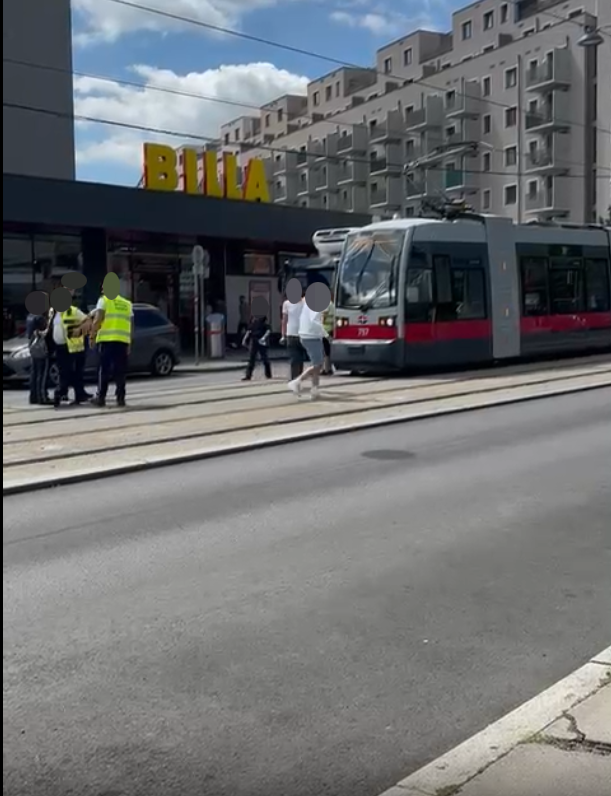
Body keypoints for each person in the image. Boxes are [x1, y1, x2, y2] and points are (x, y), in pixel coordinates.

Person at [90, 273, 134, 408]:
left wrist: (92, 336)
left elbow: (98, 320)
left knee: (104, 370)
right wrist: (129, 343)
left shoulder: (104, 301)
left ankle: (101, 397)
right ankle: (120, 398)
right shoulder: (127, 304)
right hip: (122, 341)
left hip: (106, 341)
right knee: (120, 372)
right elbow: (131, 325)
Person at [50, 292, 91, 408]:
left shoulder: (73, 311)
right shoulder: (55, 313)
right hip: (60, 347)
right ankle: (73, 394)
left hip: (73, 348)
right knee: (65, 372)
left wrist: (79, 330)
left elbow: (88, 321)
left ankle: (62, 393)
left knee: (71, 373)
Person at [288, 302, 328, 400]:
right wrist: (326, 334)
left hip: (309, 335)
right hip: (311, 336)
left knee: (317, 365)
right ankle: (296, 382)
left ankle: (315, 390)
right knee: (317, 364)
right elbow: (314, 321)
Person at [26, 308, 50, 405]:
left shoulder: (30, 317)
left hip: (33, 348)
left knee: (34, 373)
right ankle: (42, 397)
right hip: (41, 349)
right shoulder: (40, 318)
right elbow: (45, 332)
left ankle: (33, 397)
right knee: (42, 374)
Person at [281, 289, 305, 381]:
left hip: (300, 334)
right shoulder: (287, 304)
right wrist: (283, 335)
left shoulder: (304, 303)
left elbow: (284, 320)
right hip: (292, 334)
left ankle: (297, 378)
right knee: (296, 358)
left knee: (298, 359)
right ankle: (295, 379)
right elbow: (284, 320)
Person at [242, 313, 272, 381]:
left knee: (264, 358)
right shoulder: (254, 320)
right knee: (253, 358)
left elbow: (268, 330)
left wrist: (264, 338)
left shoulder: (261, 319)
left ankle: (268, 374)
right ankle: (248, 375)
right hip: (255, 340)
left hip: (260, 340)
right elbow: (249, 331)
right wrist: (245, 339)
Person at [322, 297, 335, 376]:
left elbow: (324, 316)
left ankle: (326, 369)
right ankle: (328, 368)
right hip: (331, 329)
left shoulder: (326, 304)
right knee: (328, 350)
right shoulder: (331, 304)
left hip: (326, 329)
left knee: (325, 350)